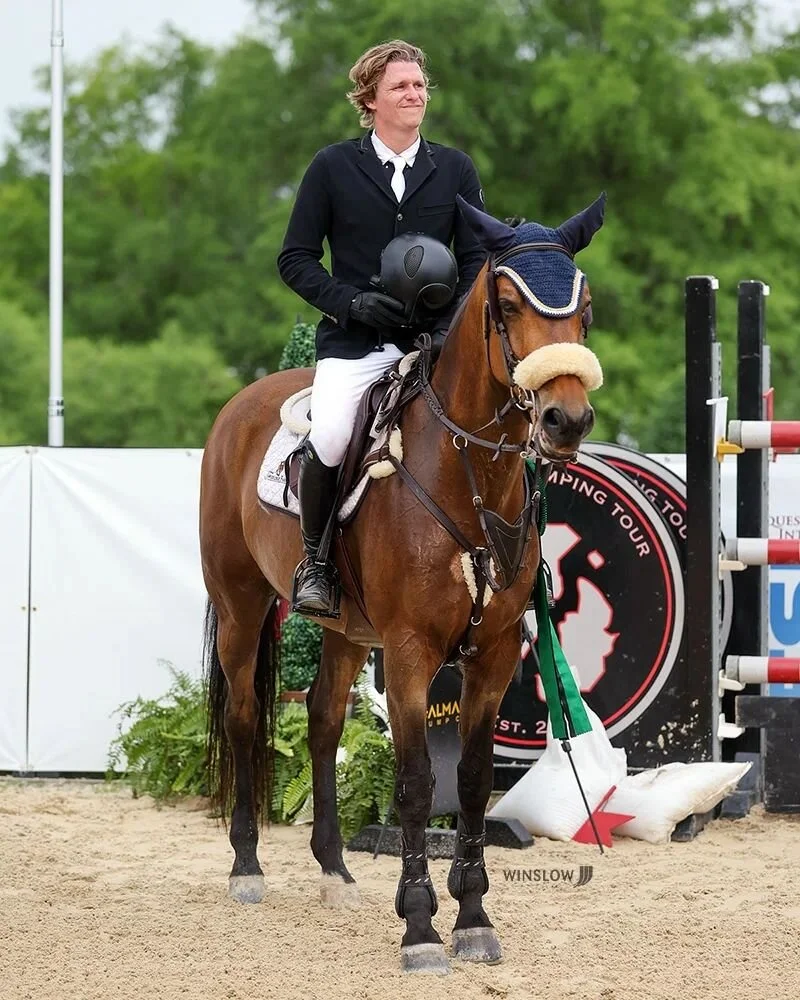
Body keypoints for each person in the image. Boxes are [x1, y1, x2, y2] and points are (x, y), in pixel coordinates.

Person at [277, 39, 487, 617]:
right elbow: (294, 258)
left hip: (434, 347)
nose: (414, 94)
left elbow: (475, 259)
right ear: (369, 99)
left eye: (420, 86)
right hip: (355, 344)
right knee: (332, 436)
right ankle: (317, 564)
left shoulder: (455, 169)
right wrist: (350, 304)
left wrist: (448, 327)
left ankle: (512, 561)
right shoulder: (332, 167)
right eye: (400, 86)